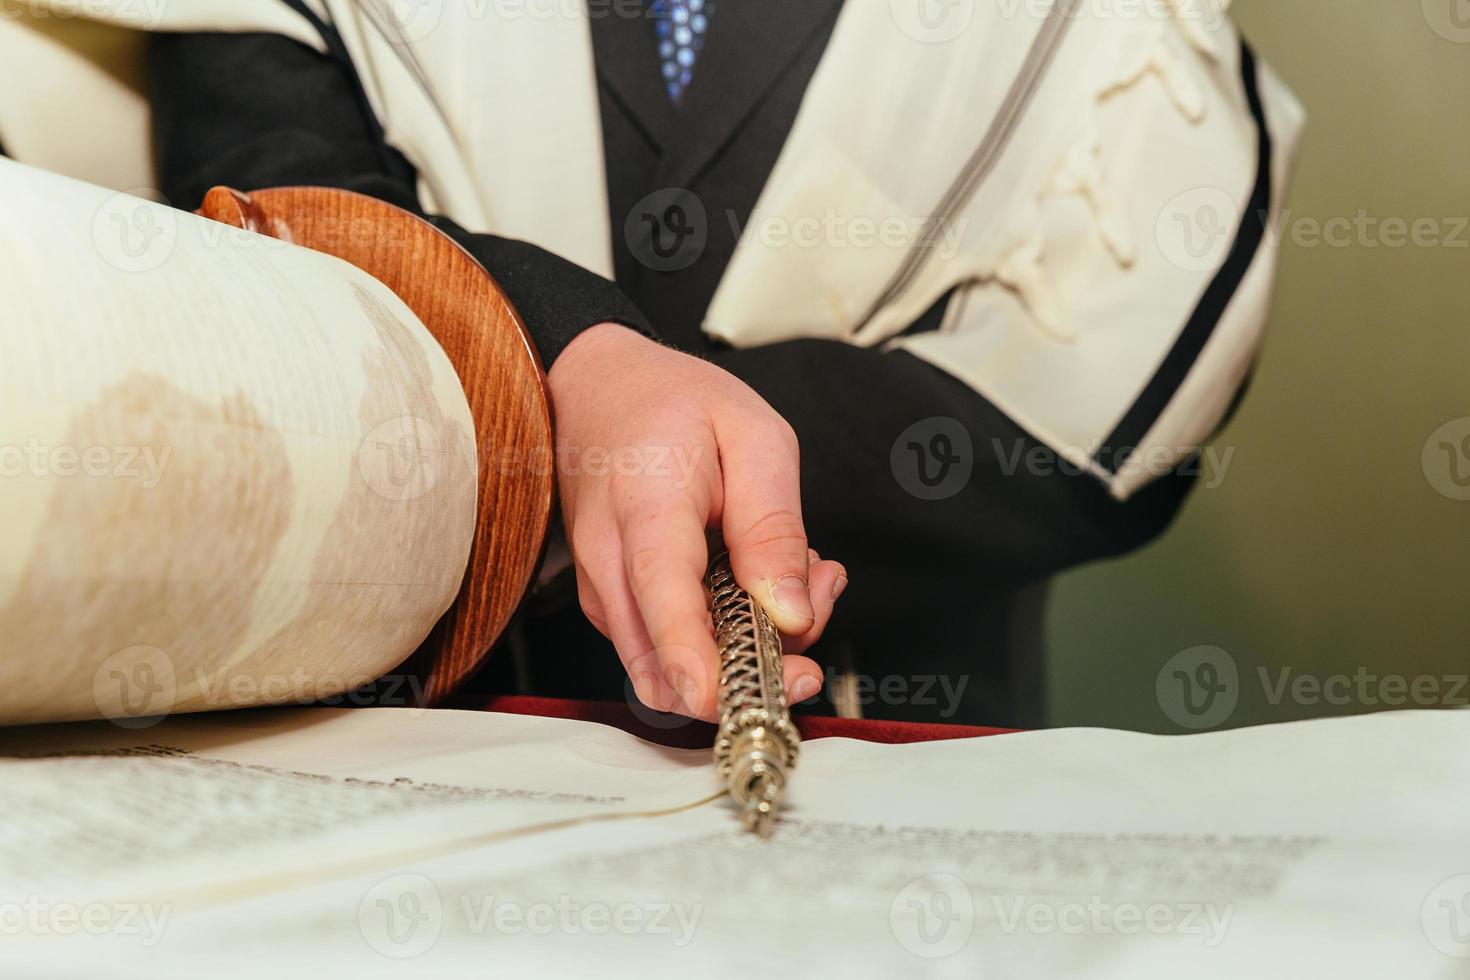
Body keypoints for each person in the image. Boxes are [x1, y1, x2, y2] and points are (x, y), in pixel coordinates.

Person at [13, 0, 1302, 726]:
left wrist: (591, 406)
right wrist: (578, 369)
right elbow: (288, 230)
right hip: (430, 752)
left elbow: (1085, 436)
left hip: (892, 735)